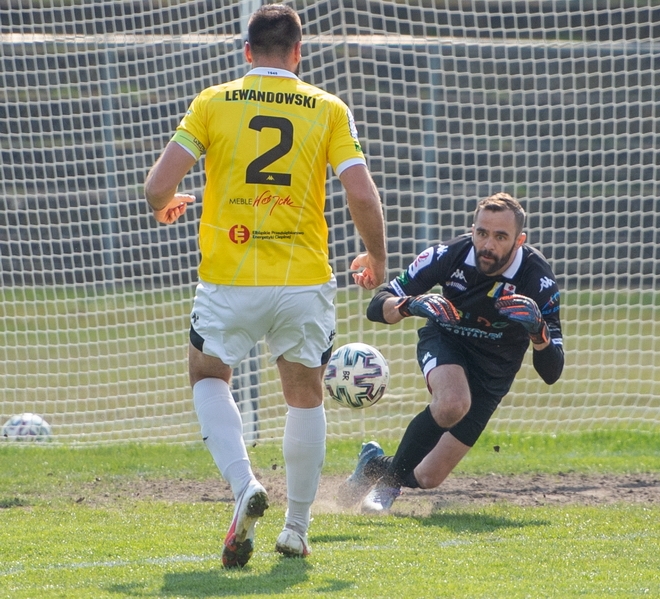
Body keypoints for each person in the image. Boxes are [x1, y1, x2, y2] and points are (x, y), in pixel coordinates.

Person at [143, 4, 386, 567]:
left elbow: (158, 185)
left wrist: (164, 205)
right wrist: (374, 256)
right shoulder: (327, 108)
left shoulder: (213, 101)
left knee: (208, 374)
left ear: (246, 51)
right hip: (302, 279)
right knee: (304, 396)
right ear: (298, 53)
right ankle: (296, 529)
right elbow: (362, 194)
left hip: (229, 278)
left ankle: (243, 484)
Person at [338, 192, 564, 513]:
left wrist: (538, 331)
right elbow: (378, 304)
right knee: (452, 403)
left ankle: (374, 465)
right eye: (482, 233)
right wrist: (411, 304)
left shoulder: (537, 280)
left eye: (501, 237)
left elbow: (552, 371)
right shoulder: (448, 255)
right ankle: (388, 488)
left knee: (429, 476)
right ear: (472, 229)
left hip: (493, 376)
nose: (488, 245)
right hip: (447, 342)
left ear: (519, 240)